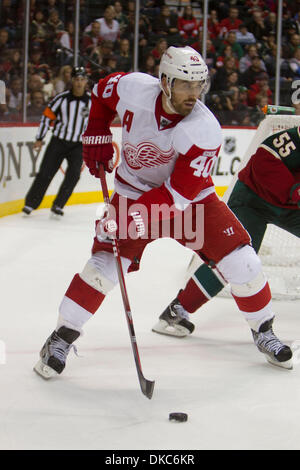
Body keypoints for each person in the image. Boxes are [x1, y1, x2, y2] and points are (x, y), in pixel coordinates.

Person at [33, 46, 292, 381]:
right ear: (165, 81)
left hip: (191, 203)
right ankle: (61, 338)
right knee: (103, 267)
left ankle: (263, 330)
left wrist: (126, 219)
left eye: (199, 85)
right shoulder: (133, 88)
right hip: (132, 191)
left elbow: (176, 196)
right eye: (185, 84)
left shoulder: (204, 128)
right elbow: (99, 94)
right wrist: (96, 130)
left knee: (244, 262)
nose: (194, 93)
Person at [153, 125, 300, 369]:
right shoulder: (289, 140)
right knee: (232, 259)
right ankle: (178, 309)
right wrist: (295, 190)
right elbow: (264, 163)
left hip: (290, 207)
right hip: (253, 200)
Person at [22, 66, 90, 217]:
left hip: (78, 145)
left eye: (82, 79)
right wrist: (40, 138)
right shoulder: (61, 99)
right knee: (46, 172)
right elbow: (46, 118)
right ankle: (30, 203)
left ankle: (59, 205)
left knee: (73, 175)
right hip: (58, 141)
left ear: (86, 81)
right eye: (76, 79)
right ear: (72, 80)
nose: (79, 83)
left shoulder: (92, 102)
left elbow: (96, 124)